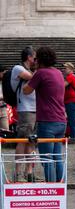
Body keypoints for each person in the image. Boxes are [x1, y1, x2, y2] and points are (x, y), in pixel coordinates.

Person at [23, 47, 66, 182]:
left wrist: (33, 73)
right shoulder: (58, 73)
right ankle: (60, 184)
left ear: (40, 60)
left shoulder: (40, 73)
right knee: (57, 156)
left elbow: (26, 91)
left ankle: (51, 187)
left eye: (36, 59)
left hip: (47, 120)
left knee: (46, 158)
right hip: (61, 120)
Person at [11, 46, 36, 182]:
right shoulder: (18, 69)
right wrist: (39, 69)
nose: (36, 60)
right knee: (22, 140)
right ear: (29, 57)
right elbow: (32, 78)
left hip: (35, 109)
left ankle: (29, 172)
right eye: (34, 57)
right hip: (25, 110)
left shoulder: (32, 70)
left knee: (32, 141)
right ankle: (18, 172)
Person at [63, 62, 75, 140]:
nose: (64, 70)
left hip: (71, 101)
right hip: (69, 101)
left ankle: (74, 137)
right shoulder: (71, 76)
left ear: (71, 69)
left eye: (66, 68)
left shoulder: (70, 77)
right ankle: (72, 135)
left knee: (72, 119)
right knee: (70, 119)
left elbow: (63, 85)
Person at [0, 65, 9, 131]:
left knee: (5, 131)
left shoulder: (5, 82)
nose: (6, 75)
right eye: (4, 73)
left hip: (3, 108)